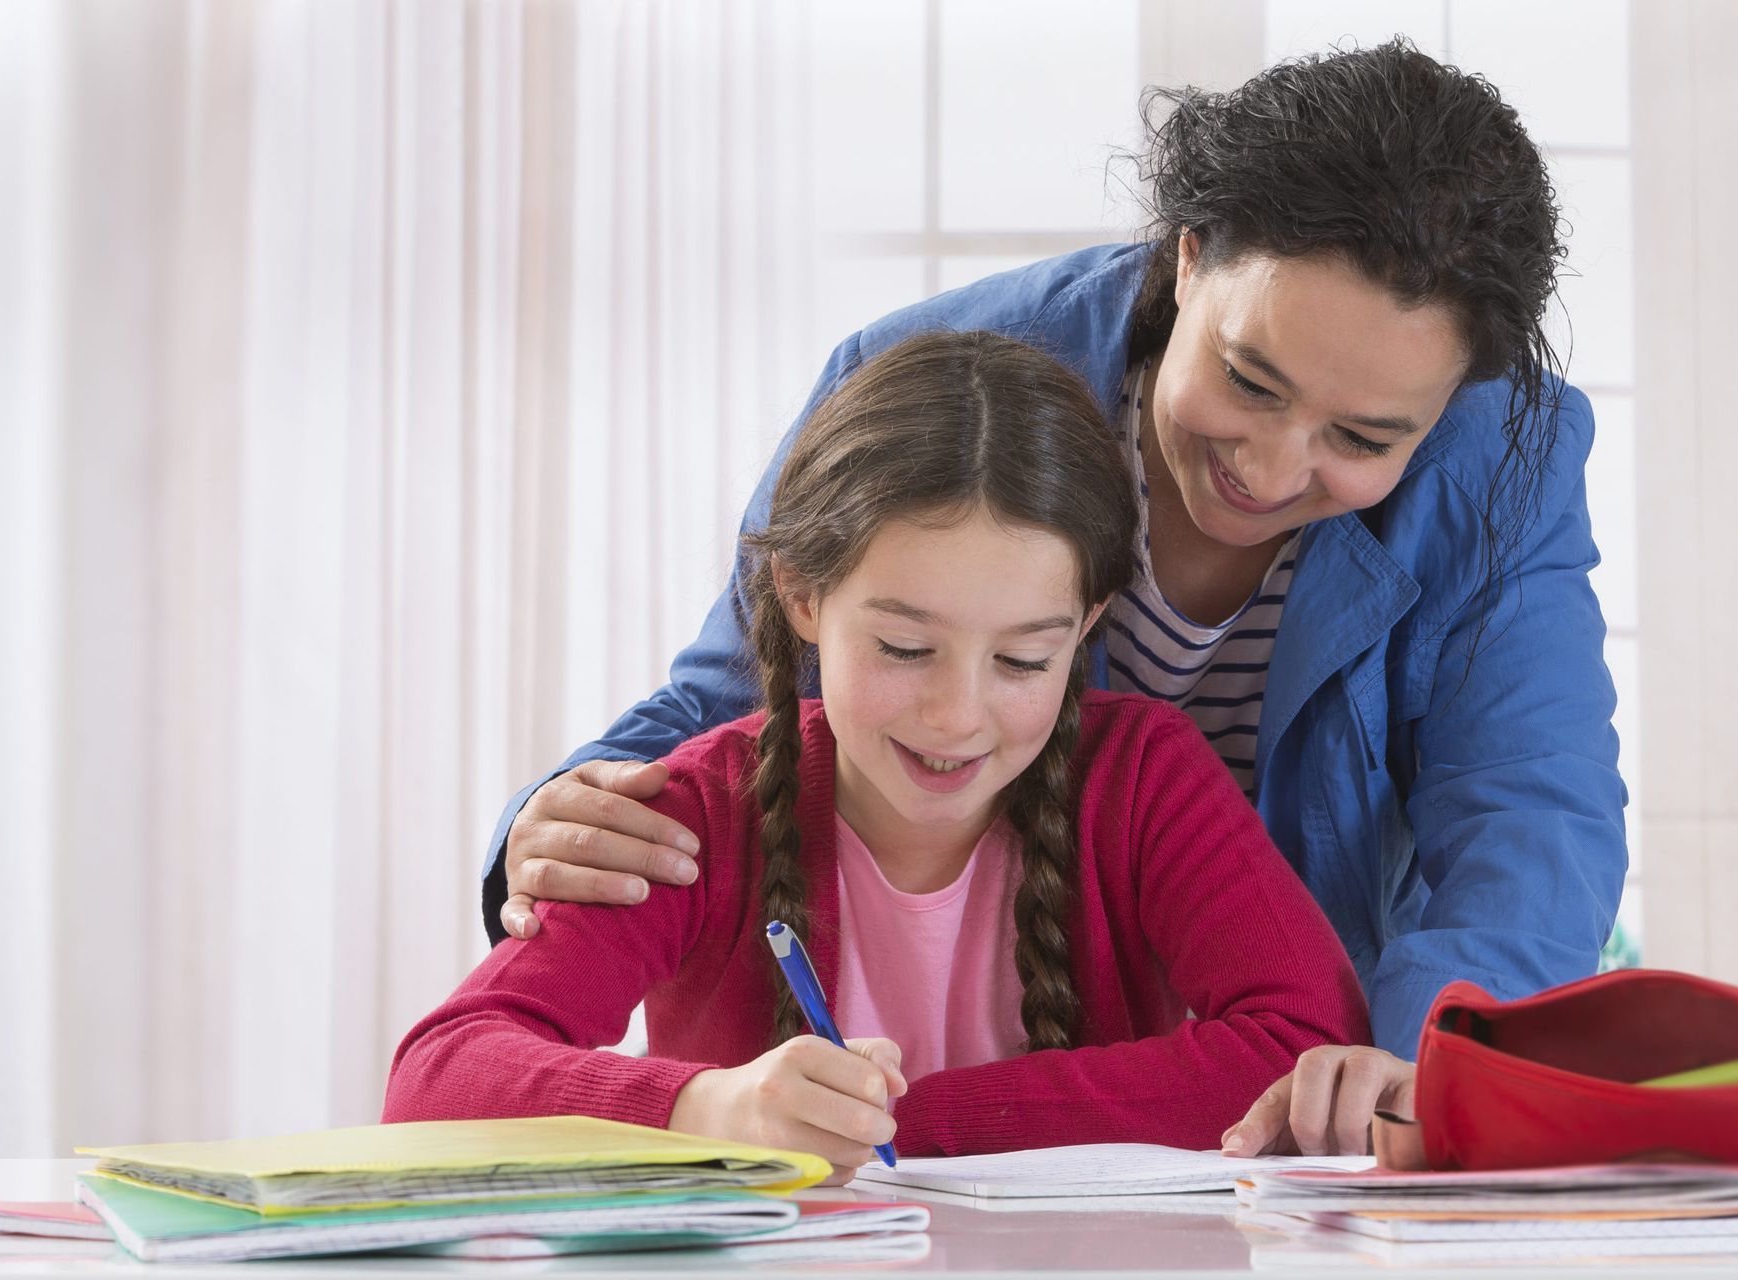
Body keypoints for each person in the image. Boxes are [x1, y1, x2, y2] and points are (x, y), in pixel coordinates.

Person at [477, 39, 1627, 1157]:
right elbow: (747, 692)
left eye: (1364, 438)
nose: (1273, 470)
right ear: (1189, 260)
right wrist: (556, 827)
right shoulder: (941, 383)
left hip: (1259, 1082)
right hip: (1016, 1098)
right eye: (1247, 378)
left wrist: (1428, 1060)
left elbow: (1529, 809)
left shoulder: (1502, 467)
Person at [387, 332, 1370, 1178]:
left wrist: (904, 1123)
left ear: (1086, 626)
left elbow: (1309, 1040)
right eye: (904, 647)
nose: (957, 716)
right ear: (803, 596)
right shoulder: (699, 810)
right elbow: (435, 1080)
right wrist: (712, 1110)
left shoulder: (1144, 778)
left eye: (1024, 659)